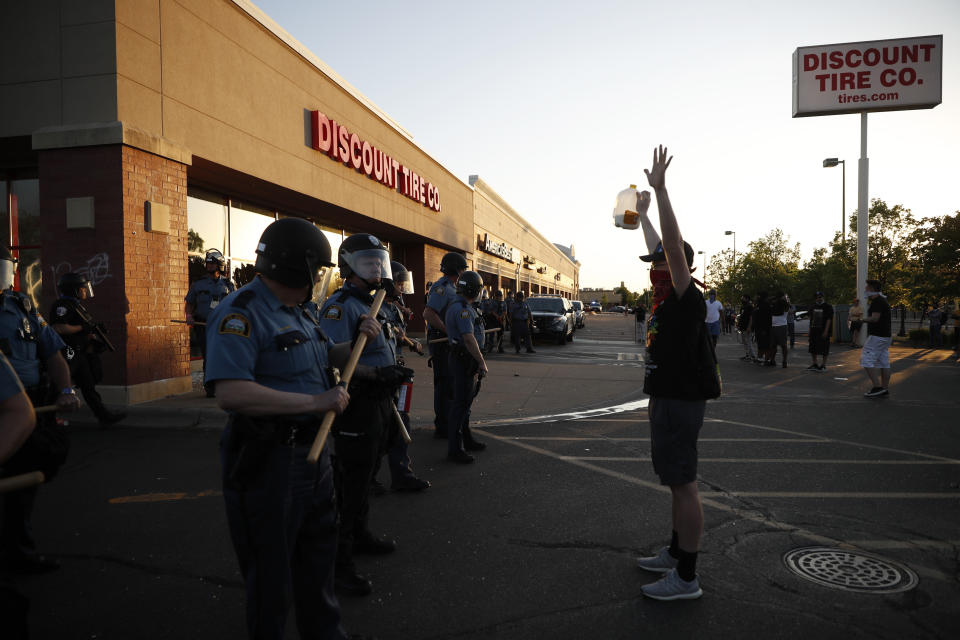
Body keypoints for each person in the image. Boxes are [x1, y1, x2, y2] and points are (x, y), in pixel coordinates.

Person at [205, 217, 380, 638]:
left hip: (314, 460)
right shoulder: (242, 313)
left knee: (317, 567)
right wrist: (316, 402)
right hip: (269, 461)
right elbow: (231, 393)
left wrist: (359, 342)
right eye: (317, 270)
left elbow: (323, 359)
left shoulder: (301, 313)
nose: (319, 278)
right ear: (295, 266)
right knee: (272, 581)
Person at [634, 145, 717, 601]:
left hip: (681, 399)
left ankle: (686, 576)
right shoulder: (666, 296)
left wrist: (661, 193)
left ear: (677, 265)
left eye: (661, 263)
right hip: (666, 395)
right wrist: (644, 214)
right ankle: (674, 551)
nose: (654, 270)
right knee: (673, 481)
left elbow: (669, 246)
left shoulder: (687, 296)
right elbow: (657, 246)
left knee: (683, 484)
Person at [319, 234, 412, 597]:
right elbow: (331, 359)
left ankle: (360, 534)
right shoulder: (340, 307)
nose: (376, 268)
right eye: (367, 262)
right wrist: (374, 374)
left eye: (379, 262)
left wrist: (392, 371)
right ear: (348, 266)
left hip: (381, 401)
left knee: (369, 472)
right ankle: (339, 564)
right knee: (350, 482)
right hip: (356, 403)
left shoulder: (380, 304)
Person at [0, 246, 80, 574]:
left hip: (29, 406)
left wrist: (65, 389)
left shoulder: (22, 305)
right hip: (5, 408)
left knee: (24, 482)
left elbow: (53, 354)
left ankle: (19, 553)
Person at [377, 261, 430, 493]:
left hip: (397, 372)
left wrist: (411, 343)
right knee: (377, 427)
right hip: (378, 374)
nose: (401, 288)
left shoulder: (396, 308)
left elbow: (398, 339)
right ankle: (367, 478)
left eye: (402, 283)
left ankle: (402, 474)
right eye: (398, 283)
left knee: (401, 422)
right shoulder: (373, 308)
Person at [49, 273, 126, 425]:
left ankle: (104, 417)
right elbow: (58, 327)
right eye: (82, 289)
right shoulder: (62, 306)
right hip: (68, 352)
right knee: (58, 386)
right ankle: (43, 419)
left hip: (80, 352)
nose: (85, 291)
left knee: (88, 387)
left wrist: (92, 333)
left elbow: (83, 328)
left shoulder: (77, 306)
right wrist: (82, 327)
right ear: (74, 290)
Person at [445, 271, 489, 464]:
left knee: (465, 404)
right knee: (460, 405)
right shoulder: (462, 308)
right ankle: (455, 449)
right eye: (478, 289)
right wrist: (481, 361)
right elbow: (469, 339)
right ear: (472, 289)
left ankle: (467, 439)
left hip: (465, 359)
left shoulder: (464, 306)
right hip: (464, 360)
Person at [423, 252, 468, 440]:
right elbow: (428, 314)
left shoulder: (452, 287)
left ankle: (447, 423)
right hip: (441, 341)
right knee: (444, 384)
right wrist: (448, 331)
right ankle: (442, 426)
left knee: (451, 384)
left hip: (448, 341)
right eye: (462, 269)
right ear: (456, 269)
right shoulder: (441, 288)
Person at [185, 248, 235, 397]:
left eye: (212, 264)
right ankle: (210, 387)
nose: (209, 267)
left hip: (222, 326)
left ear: (219, 265)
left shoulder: (228, 284)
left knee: (222, 354)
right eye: (208, 264)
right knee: (209, 354)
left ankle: (223, 385)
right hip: (203, 325)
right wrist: (188, 315)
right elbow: (189, 303)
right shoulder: (198, 284)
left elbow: (234, 304)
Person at [861, 279, 893, 397]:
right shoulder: (882, 300)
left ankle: (877, 387)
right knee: (884, 363)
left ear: (872, 289)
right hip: (885, 336)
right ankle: (884, 389)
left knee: (866, 359)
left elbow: (875, 318)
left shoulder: (877, 302)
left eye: (867, 288)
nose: (865, 289)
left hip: (877, 336)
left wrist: (861, 320)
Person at [807, 292, 833, 371]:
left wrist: (826, 331)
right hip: (814, 330)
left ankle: (823, 365)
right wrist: (809, 330)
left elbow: (829, 319)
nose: (819, 298)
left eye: (820, 297)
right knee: (813, 347)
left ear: (823, 297)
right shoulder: (812, 306)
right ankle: (815, 364)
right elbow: (811, 319)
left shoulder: (828, 307)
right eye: (818, 297)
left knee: (824, 347)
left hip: (823, 330)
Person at [481, 289, 506, 354]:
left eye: (500, 296)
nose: (499, 297)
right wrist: (497, 316)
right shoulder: (492, 302)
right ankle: (490, 347)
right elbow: (491, 310)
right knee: (491, 334)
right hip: (493, 320)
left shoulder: (503, 302)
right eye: (497, 296)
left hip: (500, 320)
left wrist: (501, 316)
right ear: (495, 296)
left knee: (500, 335)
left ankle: (500, 348)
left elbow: (505, 311)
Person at [770, 292, 789, 368]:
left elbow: (786, 306)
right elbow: (769, 300)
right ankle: (772, 360)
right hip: (773, 326)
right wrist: (776, 297)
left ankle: (784, 361)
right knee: (773, 345)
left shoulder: (785, 304)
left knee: (783, 345)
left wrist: (782, 299)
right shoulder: (775, 304)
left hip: (782, 326)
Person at [752, 292, 772, 365]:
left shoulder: (766, 305)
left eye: (757, 296)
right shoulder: (758, 305)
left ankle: (767, 360)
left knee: (766, 345)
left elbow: (767, 319)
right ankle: (760, 358)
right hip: (759, 328)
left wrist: (765, 329)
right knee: (760, 344)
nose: (755, 297)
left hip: (764, 329)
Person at [737, 295, 757, 362]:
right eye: (741, 298)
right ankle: (747, 355)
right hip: (742, 327)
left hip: (747, 327)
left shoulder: (750, 306)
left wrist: (749, 327)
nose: (742, 299)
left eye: (743, 298)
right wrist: (739, 325)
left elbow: (751, 317)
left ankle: (753, 356)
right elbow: (741, 316)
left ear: (747, 299)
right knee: (744, 342)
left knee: (748, 341)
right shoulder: (743, 307)